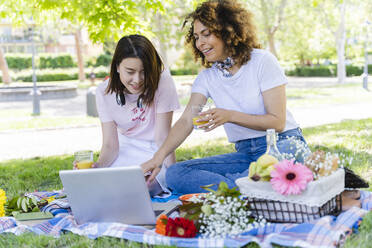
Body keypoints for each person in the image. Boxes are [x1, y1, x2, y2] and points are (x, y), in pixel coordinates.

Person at [141, 0, 309, 194]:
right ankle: (245, 189)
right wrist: (158, 157)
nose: (200, 43)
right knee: (176, 173)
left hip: (283, 144)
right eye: (196, 37)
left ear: (228, 30)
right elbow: (187, 120)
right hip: (246, 154)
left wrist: (229, 115)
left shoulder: (262, 61)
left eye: (206, 34)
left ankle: (234, 190)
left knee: (266, 169)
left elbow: (277, 122)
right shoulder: (207, 77)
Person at [83, 34, 180, 196]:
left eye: (144, 72)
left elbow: (163, 136)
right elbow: (110, 145)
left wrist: (172, 174)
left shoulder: (163, 80)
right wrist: (97, 168)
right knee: (103, 189)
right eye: (130, 72)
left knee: (140, 189)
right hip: (124, 150)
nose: (138, 79)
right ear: (117, 67)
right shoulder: (103, 92)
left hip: (156, 151)